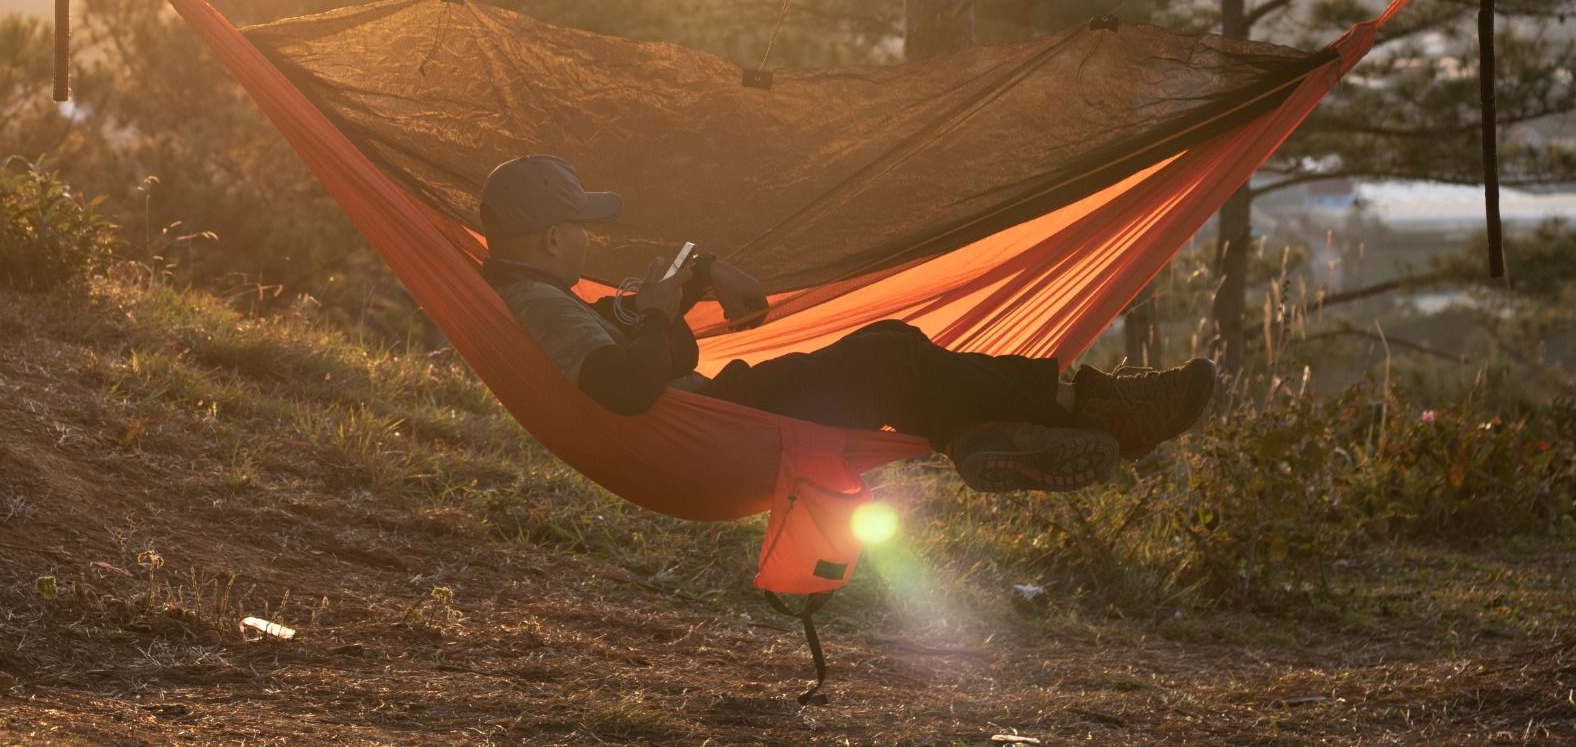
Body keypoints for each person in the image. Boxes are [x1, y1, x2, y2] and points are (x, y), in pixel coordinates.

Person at [478, 153, 1216, 492]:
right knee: (888, 363)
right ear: (549, 238)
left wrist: (700, 272)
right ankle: (1096, 406)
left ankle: (983, 432)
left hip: (707, 414)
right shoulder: (540, 302)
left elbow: (633, 329)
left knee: (891, 346)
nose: (588, 238)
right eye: (579, 226)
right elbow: (623, 382)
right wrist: (661, 320)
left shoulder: (535, 291)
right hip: (701, 432)